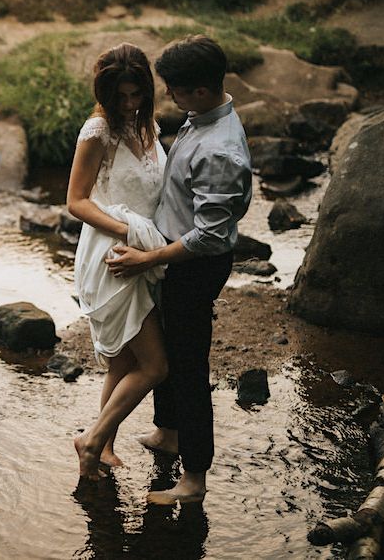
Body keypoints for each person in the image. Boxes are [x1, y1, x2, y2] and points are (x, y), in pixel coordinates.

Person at [106, 35, 252, 504]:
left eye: (174, 89)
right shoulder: (202, 117)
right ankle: (168, 432)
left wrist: (148, 257)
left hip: (194, 265)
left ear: (201, 91)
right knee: (168, 346)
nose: (167, 96)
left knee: (189, 368)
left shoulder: (220, 151)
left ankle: (194, 481)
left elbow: (210, 235)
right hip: (176, 254)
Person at [67, 43, 169, 481]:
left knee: (124, 363)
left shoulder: (149, 125)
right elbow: (75, 201)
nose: (129, 104)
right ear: (106, 93)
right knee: (154, 366)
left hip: (148, 252)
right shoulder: (97, 131)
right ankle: (91, 440)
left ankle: (104, 445)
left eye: (136, 94)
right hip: (116, 254)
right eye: (120, 97)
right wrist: (130, 233)